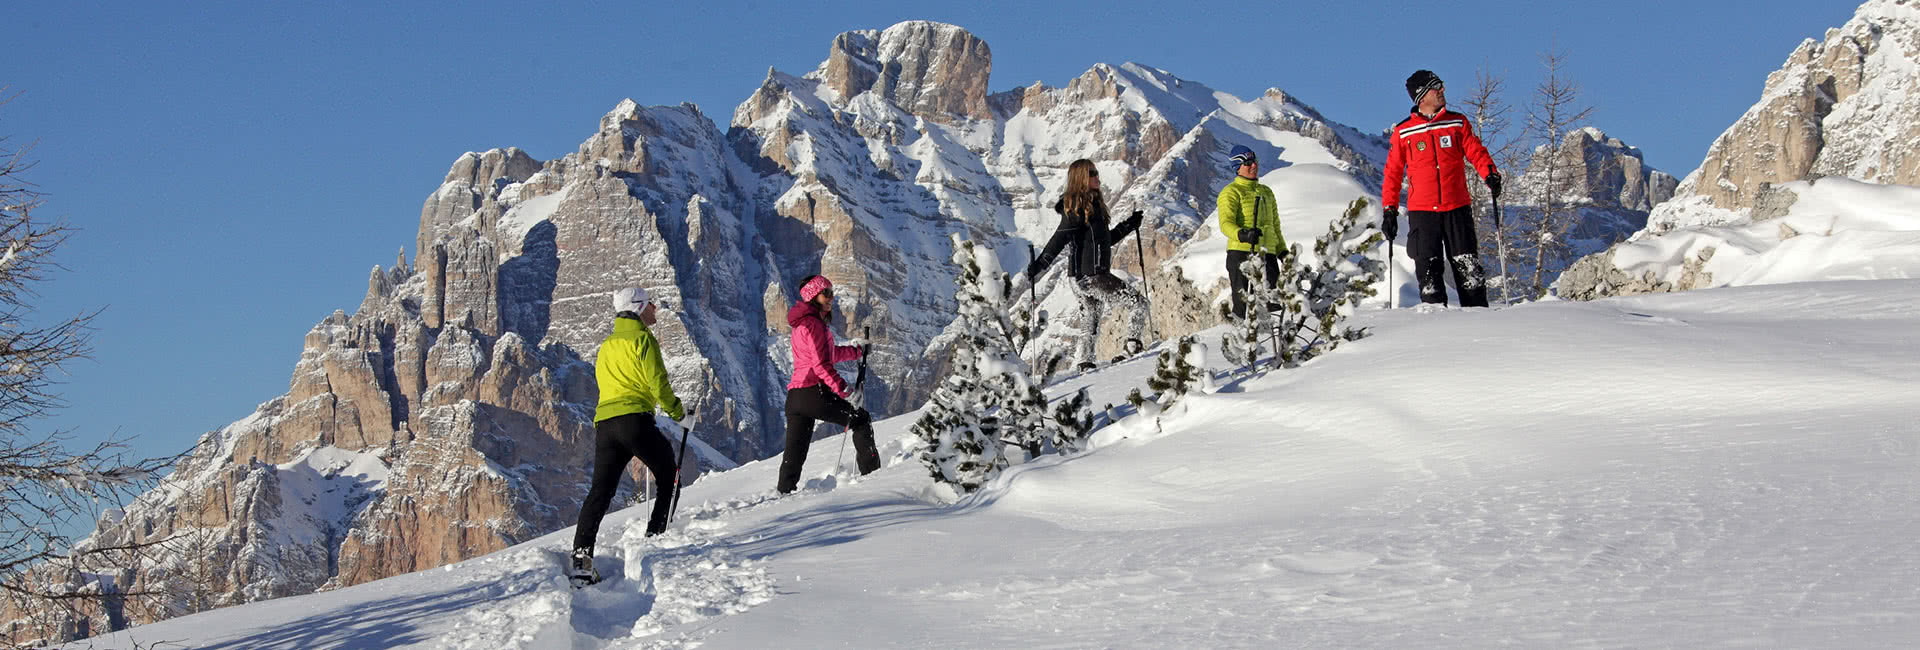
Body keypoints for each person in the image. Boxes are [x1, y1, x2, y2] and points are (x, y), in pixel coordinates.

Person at [572, 286, 686, 586]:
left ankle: (581, 561)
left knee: (599, 493)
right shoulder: (643, 339)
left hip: (606, 424)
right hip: (635, 420)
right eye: (651, 305)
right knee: (669, 475)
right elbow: (658, 383)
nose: (655, 310)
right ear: (638, 308)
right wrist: (679, 413)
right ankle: (654, 540)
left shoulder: (607, 345)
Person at [1381, 69, 1502, 307]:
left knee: (1470, 274)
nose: (1443, 90)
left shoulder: (1457, 122)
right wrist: (1389, 210)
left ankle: (1480, 324)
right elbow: (1393, 173)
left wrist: (1490, 174)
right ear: (1422, 95)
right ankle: (1435, 331)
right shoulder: (1403, 132)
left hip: (1457, 208)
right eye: (1437, 87)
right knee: (1429, 278)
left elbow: (1476, 151)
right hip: (1423, 214)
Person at [1023, 158, 1147, 368]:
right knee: (1138, 304)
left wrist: (1128, 225)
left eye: (1096, 172)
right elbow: (1059, 238)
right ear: (1080, 178)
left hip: (1081, 278)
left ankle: (1085, 361)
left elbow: (1104, 241)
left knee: (1092, 315)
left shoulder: (1092, 207)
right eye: (1092, 173)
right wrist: (1040, 265)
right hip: (1092, 276)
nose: (1097, 176)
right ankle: (1132, 347)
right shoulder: (1077, 208)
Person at [777, 275, 880, 494]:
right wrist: (846, 392)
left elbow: (828, 354)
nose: (831, 298)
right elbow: (822, 366)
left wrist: (857, 351)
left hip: (795, 398)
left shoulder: (802, 324)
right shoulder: (814, 325)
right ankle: (875, 480)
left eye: (832, 293)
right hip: (813, 393)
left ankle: (782, 495)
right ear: (814, 296)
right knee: (861, 420)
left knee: (794, 454)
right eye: (827, 294)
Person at [1217, 144, 1287, 320]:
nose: (1254, 166)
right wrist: (1243, 234)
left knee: (1274, 303)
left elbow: (1275, 226)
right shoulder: (1230, 192)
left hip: (1267, 253)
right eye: (1248, 163)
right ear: (1237, 167)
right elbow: (1225, 224)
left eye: (1254, 161)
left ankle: (1275, 343)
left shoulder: (1266, 192)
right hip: (1241, 253)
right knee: (1244, 305)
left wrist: (1282, 251)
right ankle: (1242, 342)